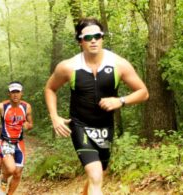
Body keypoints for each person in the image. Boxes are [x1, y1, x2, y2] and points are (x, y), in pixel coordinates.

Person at [44, 17, 149, 195]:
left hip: (105, 127)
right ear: (80, 41)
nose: (93, 40)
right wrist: (54, 116)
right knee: (95, 175)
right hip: (80, 125)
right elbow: (49, 88)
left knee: (101, 173)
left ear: (102, 38)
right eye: (87, 37)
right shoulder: (68, 67)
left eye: (97, 36)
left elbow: (143, 92)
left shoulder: (118, 64)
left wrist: (120, 101)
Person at [0, 81, 33, 195]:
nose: (15, 95)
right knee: (11, 169)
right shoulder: (1, 107)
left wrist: (28, 125)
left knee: (18, 173)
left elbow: (30, 123)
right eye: (13, 92)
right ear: (9, 94)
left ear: (22, 93)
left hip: (19, 143)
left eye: (17, 92)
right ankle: (4, 179)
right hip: (5, 142)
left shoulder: (26, 107)